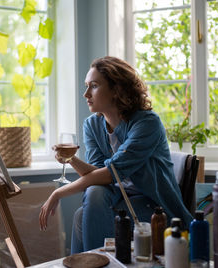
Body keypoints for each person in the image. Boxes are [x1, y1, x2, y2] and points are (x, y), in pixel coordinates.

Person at [39, 56, 193, 254]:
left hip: (155, 209)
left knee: (80, 215)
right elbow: (98, 175)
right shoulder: (92, 125)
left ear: (116, 89)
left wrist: (58, 192)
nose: (86, 94)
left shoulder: (147, 123)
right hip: (118, 199)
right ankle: (91, 264)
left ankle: (97, 263)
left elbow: (112, 173)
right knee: (93, 193)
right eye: (86, 86)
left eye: (93, 86)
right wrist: (71, 159)